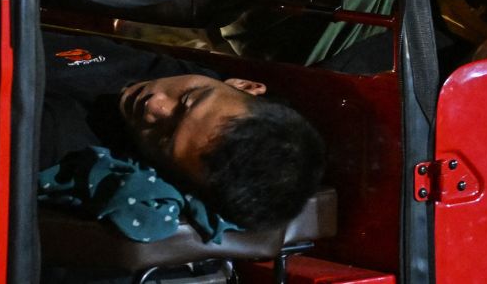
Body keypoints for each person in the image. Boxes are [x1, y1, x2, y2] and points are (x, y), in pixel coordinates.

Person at [40, 29, 325, 231]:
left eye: (164, 138)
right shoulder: (171, 68)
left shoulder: (60, 143)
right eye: (189, 99)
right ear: (245, 85)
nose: (155, 106)